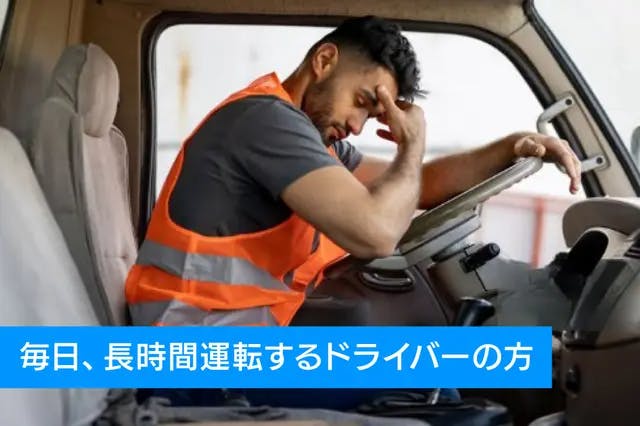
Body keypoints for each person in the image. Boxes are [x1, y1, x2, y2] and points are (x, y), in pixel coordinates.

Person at [127, 15, 581, 408]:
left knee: (441, 360)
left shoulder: (308, 138)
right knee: (441, 384)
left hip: (235, 343)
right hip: (194, 361)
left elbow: (423, 186)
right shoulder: (266, 122)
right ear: (324, 61)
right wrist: (411, 144)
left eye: (374, 116)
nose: (358, 126)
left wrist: (511, 147)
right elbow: (376, 233)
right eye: (362, 102)